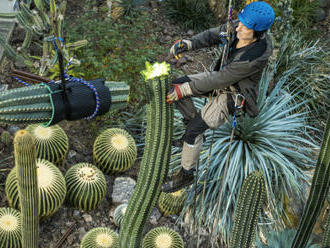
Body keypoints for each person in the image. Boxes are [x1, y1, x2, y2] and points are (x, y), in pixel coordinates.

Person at [162, 1, 275, 193]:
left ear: (257, 33)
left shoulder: (255, 55)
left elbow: (222, 79)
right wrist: (189, 43)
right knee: (178, 84)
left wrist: (186, 91)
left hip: (233, 93)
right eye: (239, 23)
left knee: (192, 127)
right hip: (220, 79)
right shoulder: (238, 28)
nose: (238, 28)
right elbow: (214, 34)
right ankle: (192, 130)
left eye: (245, 27)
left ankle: (186, 175)